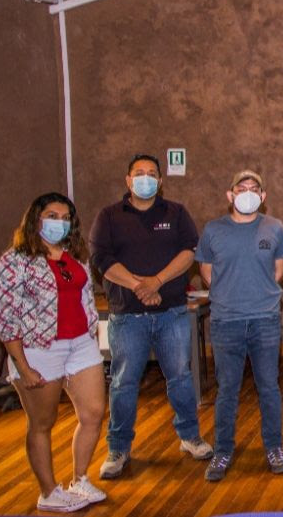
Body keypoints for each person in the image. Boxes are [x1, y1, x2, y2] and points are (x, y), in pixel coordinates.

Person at [90, 154, 212, 479]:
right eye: (138, 173)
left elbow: (190, 251)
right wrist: (138, 286)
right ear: (128, 180)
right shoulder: (109, 216)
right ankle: (118, 448)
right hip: (127, 316)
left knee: (181, 378)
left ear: (160, 180)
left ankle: (190, 437)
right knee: (123, 382)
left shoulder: (176, 213)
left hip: (171, 312)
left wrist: (156, 282)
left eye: (151, 174)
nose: (145, 178)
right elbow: (101, 258)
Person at [0, 192, 105, 511]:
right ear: (35, 220)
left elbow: (83, 296)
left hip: (80, 343)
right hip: (39, 348)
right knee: (42, 422)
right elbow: (6, 315)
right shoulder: (16, 259)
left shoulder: (76, 254)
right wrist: (22, 364)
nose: (59, 223)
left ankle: (80, 479)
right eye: (52, 216)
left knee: (93, 413)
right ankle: (48, 492)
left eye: (65, 217)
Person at [196, 170, 283, 481]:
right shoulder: (213, 230)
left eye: (254, 188)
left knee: (269, 388)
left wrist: (257, 292)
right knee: (227, 390)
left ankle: (275, 447)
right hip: (226, 322)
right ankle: (223, 451)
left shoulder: (274, 228)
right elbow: (207, 273)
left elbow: (280, 269)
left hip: (265, 319)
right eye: (242, 188)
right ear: (230, 195)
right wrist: (231, 295)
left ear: (263, 197)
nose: (248, 192)